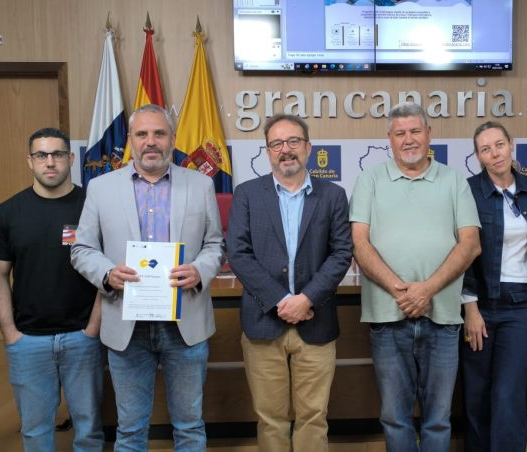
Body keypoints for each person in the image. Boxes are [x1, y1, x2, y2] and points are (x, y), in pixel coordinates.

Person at [70, 104, 224, 451]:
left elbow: (215, 244)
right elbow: (81, 249)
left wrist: (200, 269)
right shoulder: (101, 187)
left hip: (186, 325)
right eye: (142, 134)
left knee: (189, 427)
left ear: (172, 139)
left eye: (159, 133)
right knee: (130, 430)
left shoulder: (200, 185)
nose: (150, 141)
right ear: (131, 140)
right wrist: (107, 273)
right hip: (127, 326)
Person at [349, 102, 481, 452]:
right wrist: (404, 292)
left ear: (428, 134)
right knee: (395, 417)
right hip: (387, 319)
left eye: (415, 131)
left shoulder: (454, 181)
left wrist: (427, 290)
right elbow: (359, 245)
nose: (408, 140)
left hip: (443, 319)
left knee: (439, 419)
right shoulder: (369, 180)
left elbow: (470, 245)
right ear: (389, 139)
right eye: (400, 133)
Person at [227, 114, 353, 451]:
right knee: (270, 418)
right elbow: (238, 253)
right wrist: (282, 300)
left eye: (293, 141)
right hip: (263, 322)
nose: (286, 150)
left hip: (317, 322)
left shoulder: (333, 195)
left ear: (308, 147)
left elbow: (342, 253)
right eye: (277, 143)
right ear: (267, 151)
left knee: (314, 415)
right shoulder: (247, 194)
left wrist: (307, 298)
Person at [0, 128, 104, 451]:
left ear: (70, 158)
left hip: (83, 337)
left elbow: (108, 271)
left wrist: (93, 327)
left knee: (90, 429)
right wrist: (10, 332)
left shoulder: (93, 206)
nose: (49, 162)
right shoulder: (8, 213)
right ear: (30, 161)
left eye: (57, 154)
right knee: (35, 431)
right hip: (28, 341)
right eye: (41, 155)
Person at [459, 121, 527, 451]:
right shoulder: (467, 190)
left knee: (509, 396)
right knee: (477, 395)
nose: (494, 153)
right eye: (485, 149)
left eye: (499, 145)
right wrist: (470, 306)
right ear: (478, 156)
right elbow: (461, 252)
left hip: (523, 306)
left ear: (512, 144)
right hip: (480, 306)